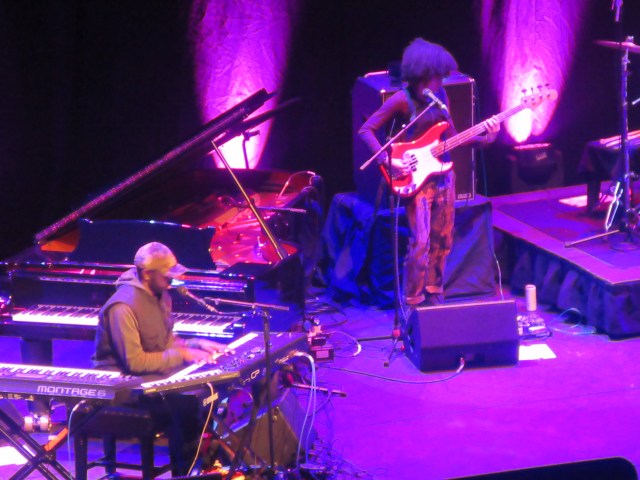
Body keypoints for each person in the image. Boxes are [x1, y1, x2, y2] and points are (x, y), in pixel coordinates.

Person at [358, 38, 500, 307]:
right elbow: (366, 130)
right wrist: (388, 161)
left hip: (444, 175)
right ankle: (413, 300)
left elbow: (454, 137)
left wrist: (487, 138)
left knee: (443, 239)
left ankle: (435, 293)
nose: (439, 83)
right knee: (420, 242)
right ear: (421, 76)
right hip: (418, 179)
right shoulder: (402, 100)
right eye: (435, 77)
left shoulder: (441, 97)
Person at [93, 241, 227, 475]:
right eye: (167, 275)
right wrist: (183, 355)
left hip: (152, 377)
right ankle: (186, 472)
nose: (172, 281)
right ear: (147, 274)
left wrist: (195, 344)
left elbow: (165, 342)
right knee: (187, 403)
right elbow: (135, 362)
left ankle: (206, 466)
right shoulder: (122, 307)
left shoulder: (161, 294)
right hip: (122, 386)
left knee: (211, 389)